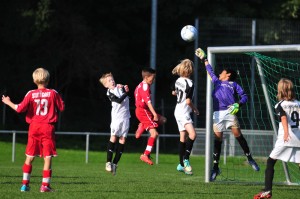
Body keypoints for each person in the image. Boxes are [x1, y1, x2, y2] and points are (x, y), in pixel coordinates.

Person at [195, 48, 260, 181]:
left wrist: (238, 104)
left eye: (222, 72)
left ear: (228, 74)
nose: (219, 73)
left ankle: (250, 158)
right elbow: (210, 71)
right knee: (218, 140)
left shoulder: (234, 84)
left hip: (230, 112)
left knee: (238, 135)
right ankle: (215, 167)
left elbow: (245, 96)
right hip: (217, 114)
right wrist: (204, 59)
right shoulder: (217, 82)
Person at [2, 68, 64, 192]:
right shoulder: (53, 93)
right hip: (47, 127)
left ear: (34, 80)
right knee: (47, 157)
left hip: (34, 127)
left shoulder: (30, 93)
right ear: (48, 79)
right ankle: (45, 186)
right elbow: (61, 107)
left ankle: (25, 185)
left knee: (30, 156)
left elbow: (19, 108)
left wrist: (8, 102)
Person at [254, 78, 300, 199]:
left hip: (287, 138)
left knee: (270, 162)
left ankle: (267, 191)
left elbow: (284, 118)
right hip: (299, 137)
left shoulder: (280, 105)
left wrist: (286, 132)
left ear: (280, 90)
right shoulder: (298, 103)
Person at [171, 59, 199, 175]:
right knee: (193, 134)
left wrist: (177, 92)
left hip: (177, 111)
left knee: (183, 137)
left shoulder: (178, 80)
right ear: (191, 70)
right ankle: (186, 159)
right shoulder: (190, 84)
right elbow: (188, 101)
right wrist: (195, 108)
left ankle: (181, 165)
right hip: (183, 112)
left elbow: (173, 91)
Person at [99, 73, 130, 175]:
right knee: (113, 138)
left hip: (125, 118)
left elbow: (125, 92)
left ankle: (115, 164)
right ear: (105, 85)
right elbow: (119, 100)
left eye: (112, 79)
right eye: (109, 81)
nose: (111, 81)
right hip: (116, 119)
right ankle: (108, 162)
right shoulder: (109, 92)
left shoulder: (119, 87)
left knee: (123, 140)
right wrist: (126, 92)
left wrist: (125, 88)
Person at [134, 67, 166, 165]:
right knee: (154, 134)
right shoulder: (144, 87)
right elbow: (148, 102)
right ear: (147, 77)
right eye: (153, 77)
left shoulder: (140, 85)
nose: (154, 80)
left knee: (163, 120)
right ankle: (145, 154)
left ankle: (142, 125)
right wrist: (155, 114)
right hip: (143, 112)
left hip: (143, 111)